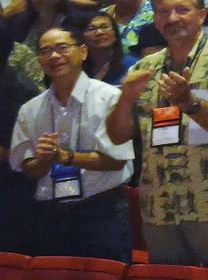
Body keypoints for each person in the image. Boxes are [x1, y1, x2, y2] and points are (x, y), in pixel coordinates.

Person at [108, 0, 208, 272]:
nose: (172, 18)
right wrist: (125, 99)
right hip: (161, 204)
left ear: (201, 15)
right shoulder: (144, 67)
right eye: (164, 11)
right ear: (155, 19)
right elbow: (117, 136)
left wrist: (189, 103)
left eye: (182, 9)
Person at [8, 24, 132, 259]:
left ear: (83, 52)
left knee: (105, 279)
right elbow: (26, 168)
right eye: (45, 51)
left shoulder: (109, 98)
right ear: (39, 60)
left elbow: (117, 160)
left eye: (62, 48)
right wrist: (43, 160)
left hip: (101, 213)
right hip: (50, 216)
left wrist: (66, 157)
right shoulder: (30, 109)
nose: (54, 56)